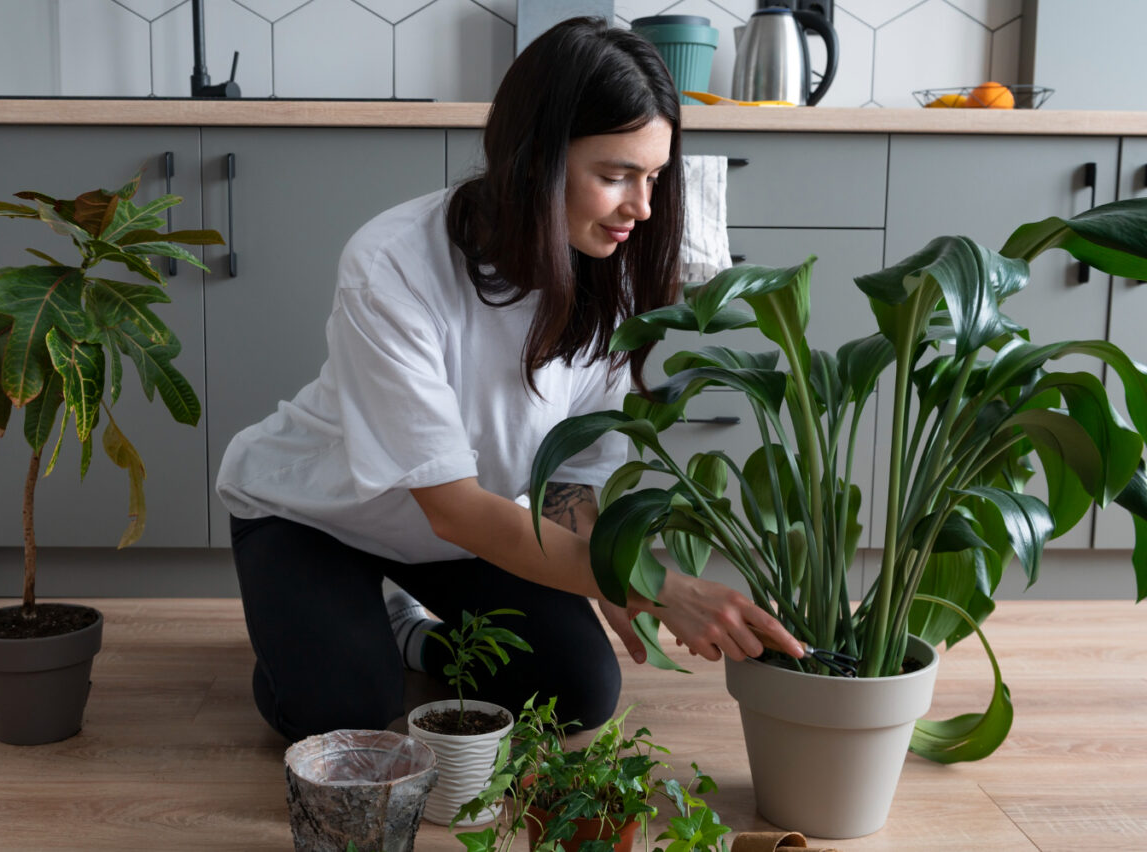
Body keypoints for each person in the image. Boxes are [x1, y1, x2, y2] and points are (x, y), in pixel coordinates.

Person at [215, 16, 804, 743]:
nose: (643, 208)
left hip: (458, 537)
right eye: (616, 175)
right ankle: (310, 638)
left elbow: (569, 479)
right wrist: (655, 585)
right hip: (317, 516)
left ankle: (407, 632)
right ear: (535, 159)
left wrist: (615, 581)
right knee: (345, 711)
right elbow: (454, 508)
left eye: (653, 176)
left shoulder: (607, 275)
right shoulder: (392, 265)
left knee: (579, 690)